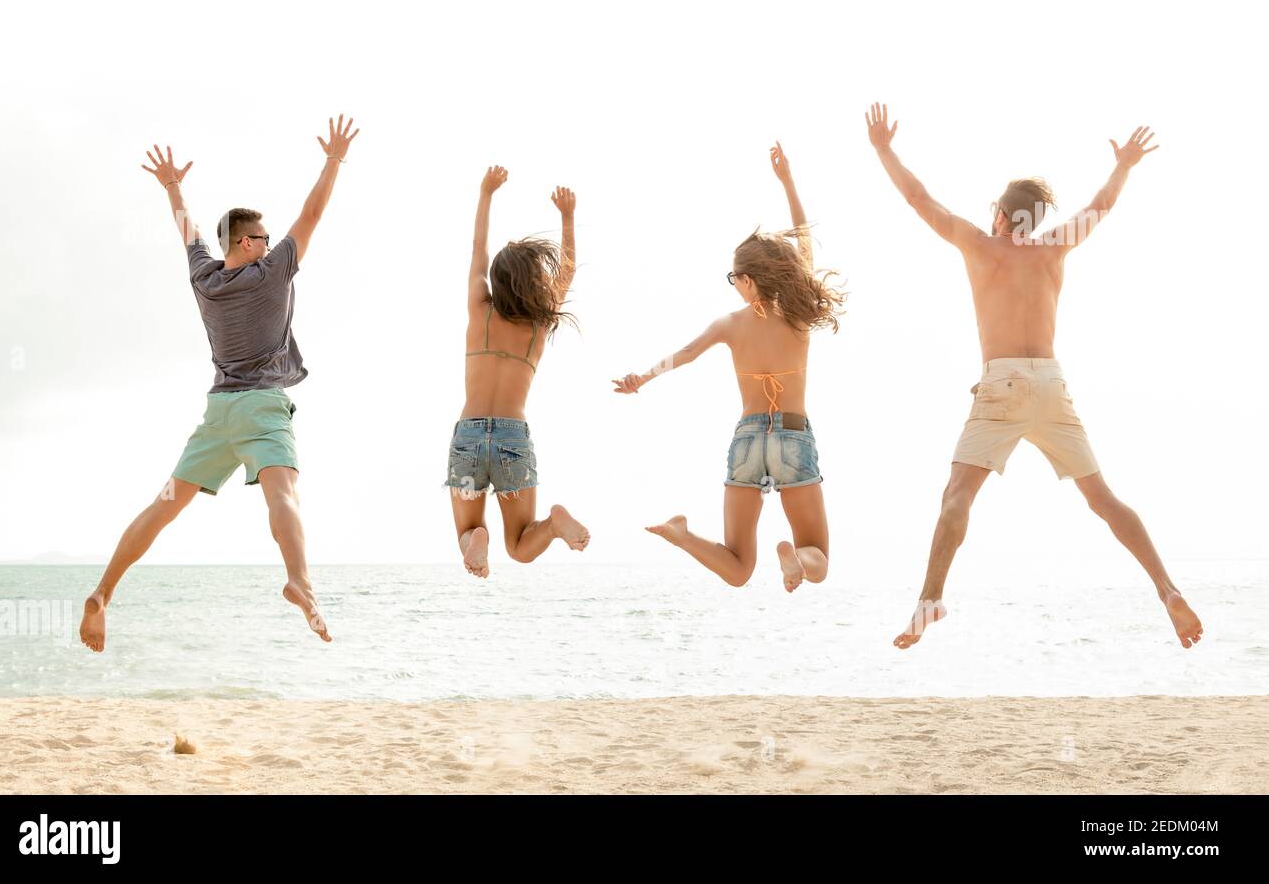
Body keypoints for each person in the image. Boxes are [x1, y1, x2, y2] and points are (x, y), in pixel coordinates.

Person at [865, 102, 1202, 650]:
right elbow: (1102, 204)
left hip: (1001, 386)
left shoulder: (978, 245)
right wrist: (1125, 165)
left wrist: (883, 148)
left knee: (957, 498)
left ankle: (929, 600)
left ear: (999, 212)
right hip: (1051, 384)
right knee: (1104, 500)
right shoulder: (1055, 247)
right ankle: (1166, 590)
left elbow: (918, 197)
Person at [78, 115, 359, 651]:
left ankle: (103, 591)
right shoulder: (270, 273)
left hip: (218, 415)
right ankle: (299, 580)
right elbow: (314, 213)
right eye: (265, 237)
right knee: (282, 492)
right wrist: (333, 159)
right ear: (250, 244)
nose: (272, 242)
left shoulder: (204, 278)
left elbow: (189, 234)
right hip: (261, 408)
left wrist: (172, 186)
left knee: (164, 504)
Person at [613, 142, 844, 591]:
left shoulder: (729, 324)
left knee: (738, 569)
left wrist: (641, 377)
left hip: (748, 438)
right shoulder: (798, 314)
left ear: (749, 279)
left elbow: (683, 354)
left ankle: (682, 536)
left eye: (734, 277)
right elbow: (803, 239)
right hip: (793, 435)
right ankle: (797, 557)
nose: (733, 284)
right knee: (821, 560)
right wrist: (788, 181)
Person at [446, 165, 590, 578]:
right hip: (512, 436)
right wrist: (567, 217)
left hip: (469, 433)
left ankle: (476, 539)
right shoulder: (538, 325)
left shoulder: (479, 309)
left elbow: (477, 248)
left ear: (496, 280)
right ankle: (553, 523)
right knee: (522, 545)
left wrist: (486, 192)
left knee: (466, 529)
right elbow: (567, 271)